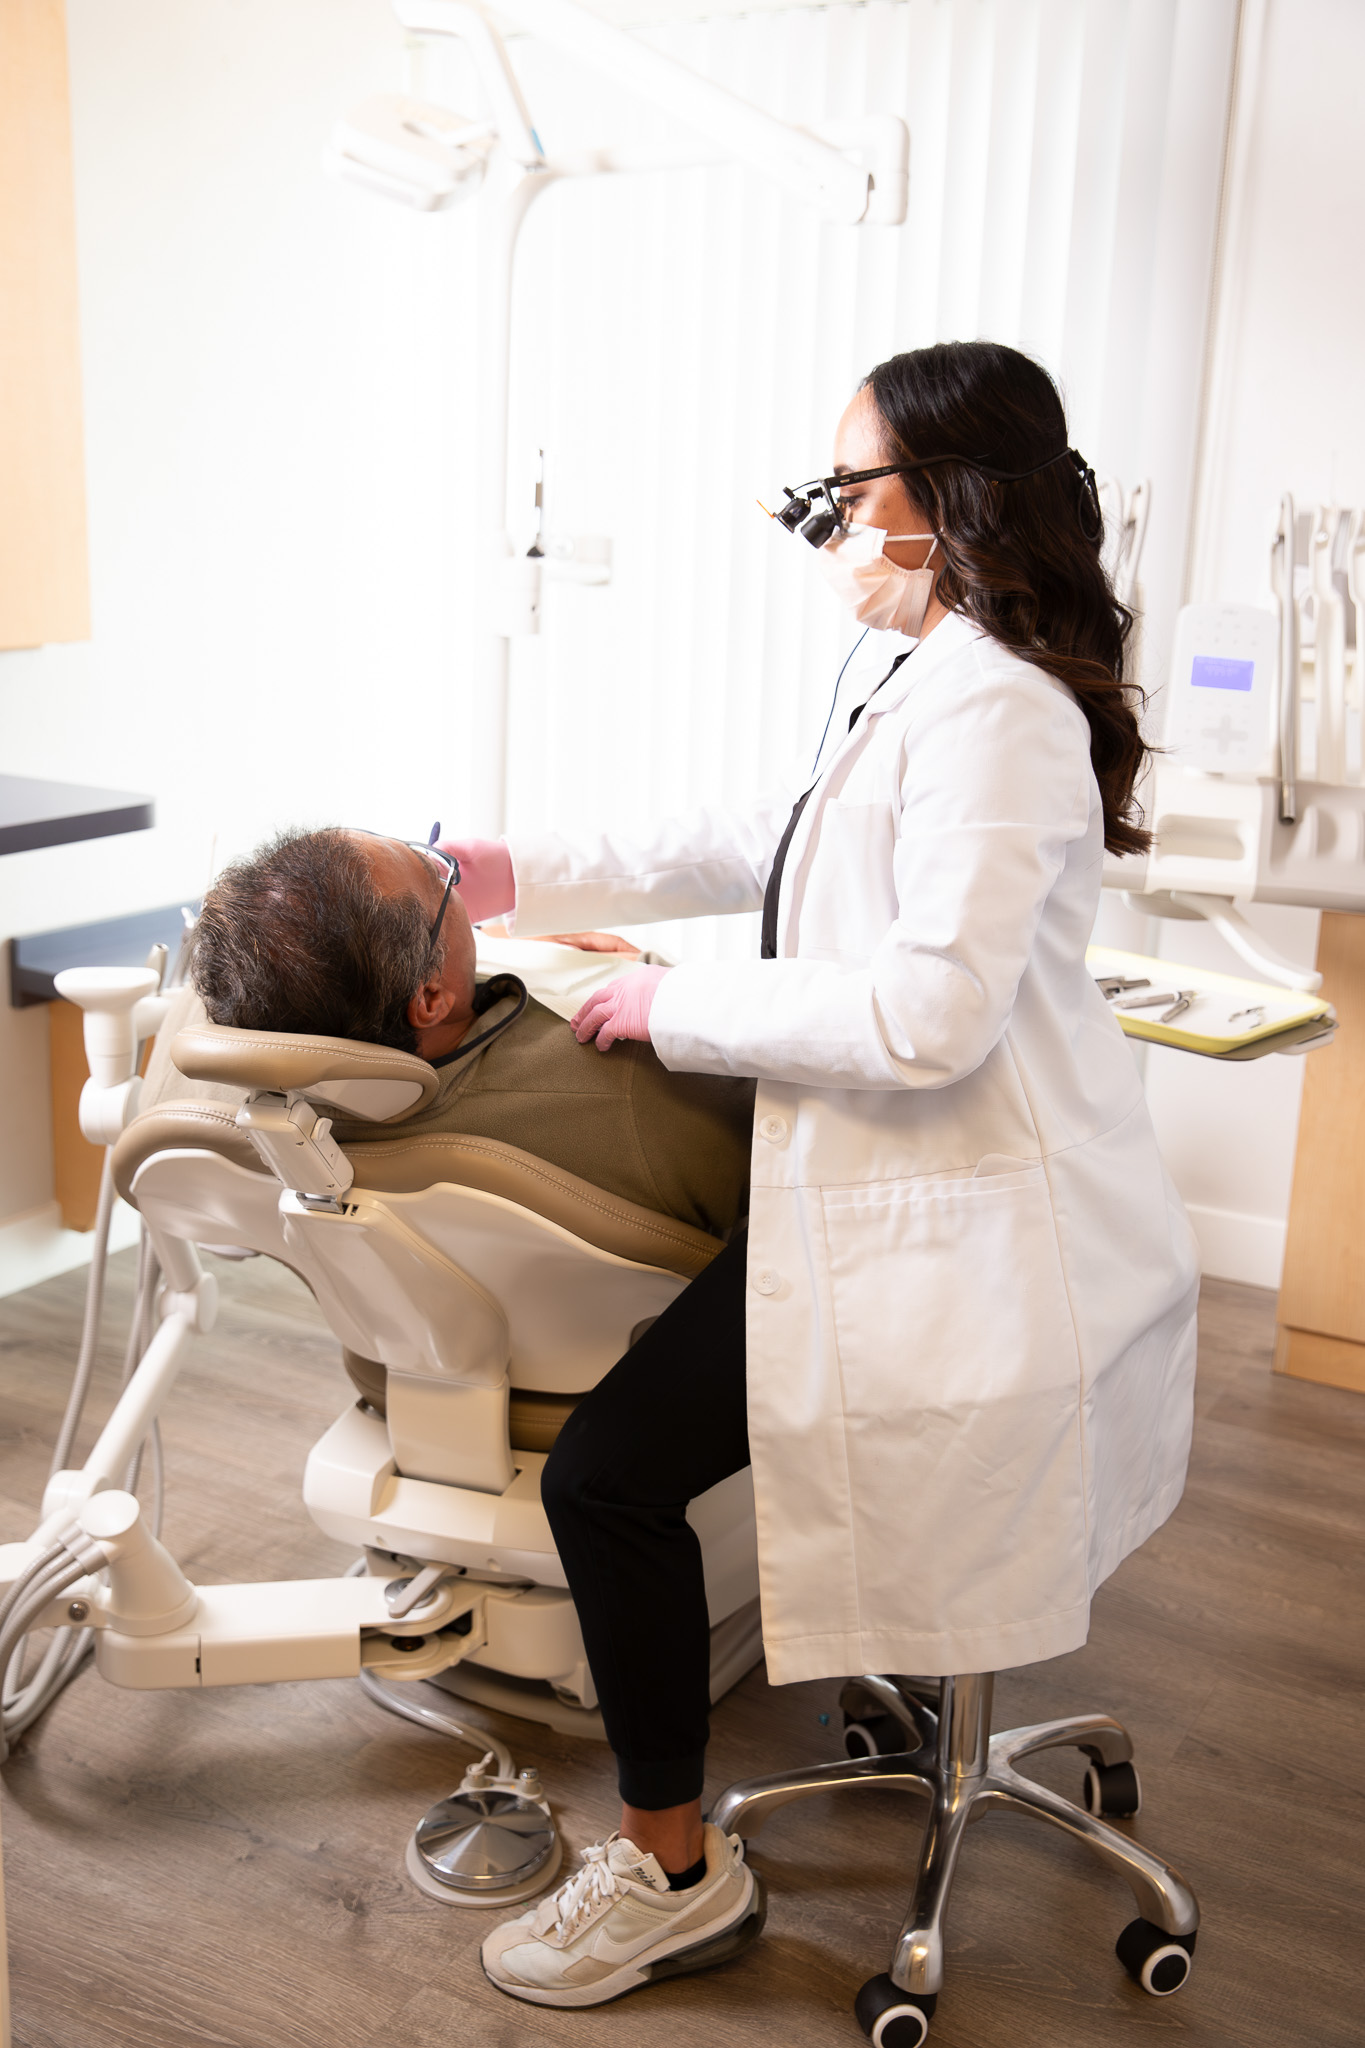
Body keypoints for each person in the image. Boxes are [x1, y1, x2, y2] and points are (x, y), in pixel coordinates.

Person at [440, 341, 1201, 2009]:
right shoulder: (921, 671)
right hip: (878, 1193)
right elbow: (763, 836)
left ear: (953, 500)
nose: (830, 520)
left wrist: (672, 1004)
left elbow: (930, 1013)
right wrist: (517, 861)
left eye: (850, 491)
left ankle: (666, 1873)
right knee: (653, 1454)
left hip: (968, 1242)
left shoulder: (996, 711)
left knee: (606, 1478)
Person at [143, 826, 755, 1295]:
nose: (454, 883)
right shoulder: (635, 1085)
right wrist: (629, 968)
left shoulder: (194, 1080)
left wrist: (473, 956)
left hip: (399, 1354)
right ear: (429, 999)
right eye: (439, 880)